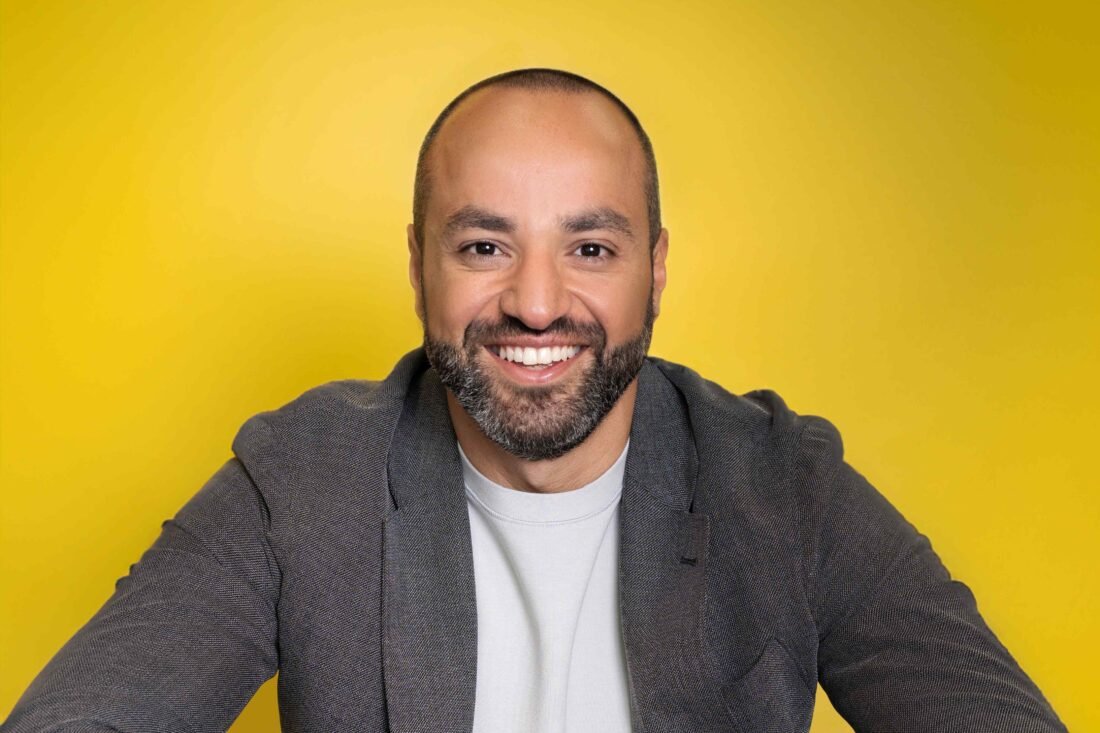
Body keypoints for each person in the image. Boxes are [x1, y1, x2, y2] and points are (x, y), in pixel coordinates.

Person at [4, 68, 1065, 733]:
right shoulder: (299, 479)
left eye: (589, 248)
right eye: (484, 246)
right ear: (418, 266)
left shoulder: (785, 485)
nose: (537, 302)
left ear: (655, 269)